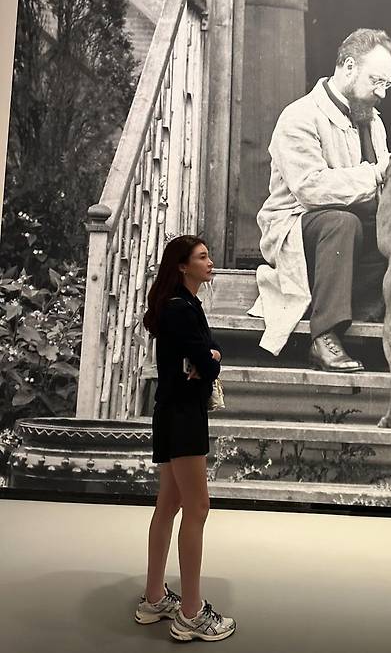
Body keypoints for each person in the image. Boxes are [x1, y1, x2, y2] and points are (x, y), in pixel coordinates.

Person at [248, 28, 391, 371]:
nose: (382, 93)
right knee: (341, 222)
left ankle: (363, 317)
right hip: (300, 228)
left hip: (348, 242)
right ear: (349, 67)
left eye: (387, 84)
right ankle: (324, 336)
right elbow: (310, 188)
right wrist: (375, 174)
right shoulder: (299, 116)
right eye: (376, 81)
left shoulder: (373, 121)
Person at [135, 235, 236, 643]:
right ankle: (191, 613)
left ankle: (154, 598)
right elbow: (208, 363)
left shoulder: (184, 305)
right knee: (197, 506)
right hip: (182, 416)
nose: (210, 262)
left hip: (173, 412)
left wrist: (209, 356)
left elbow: (210, 350)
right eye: (202, 257)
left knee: (169, 504)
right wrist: (210, 360)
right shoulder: (181, 308)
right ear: (182, 265)